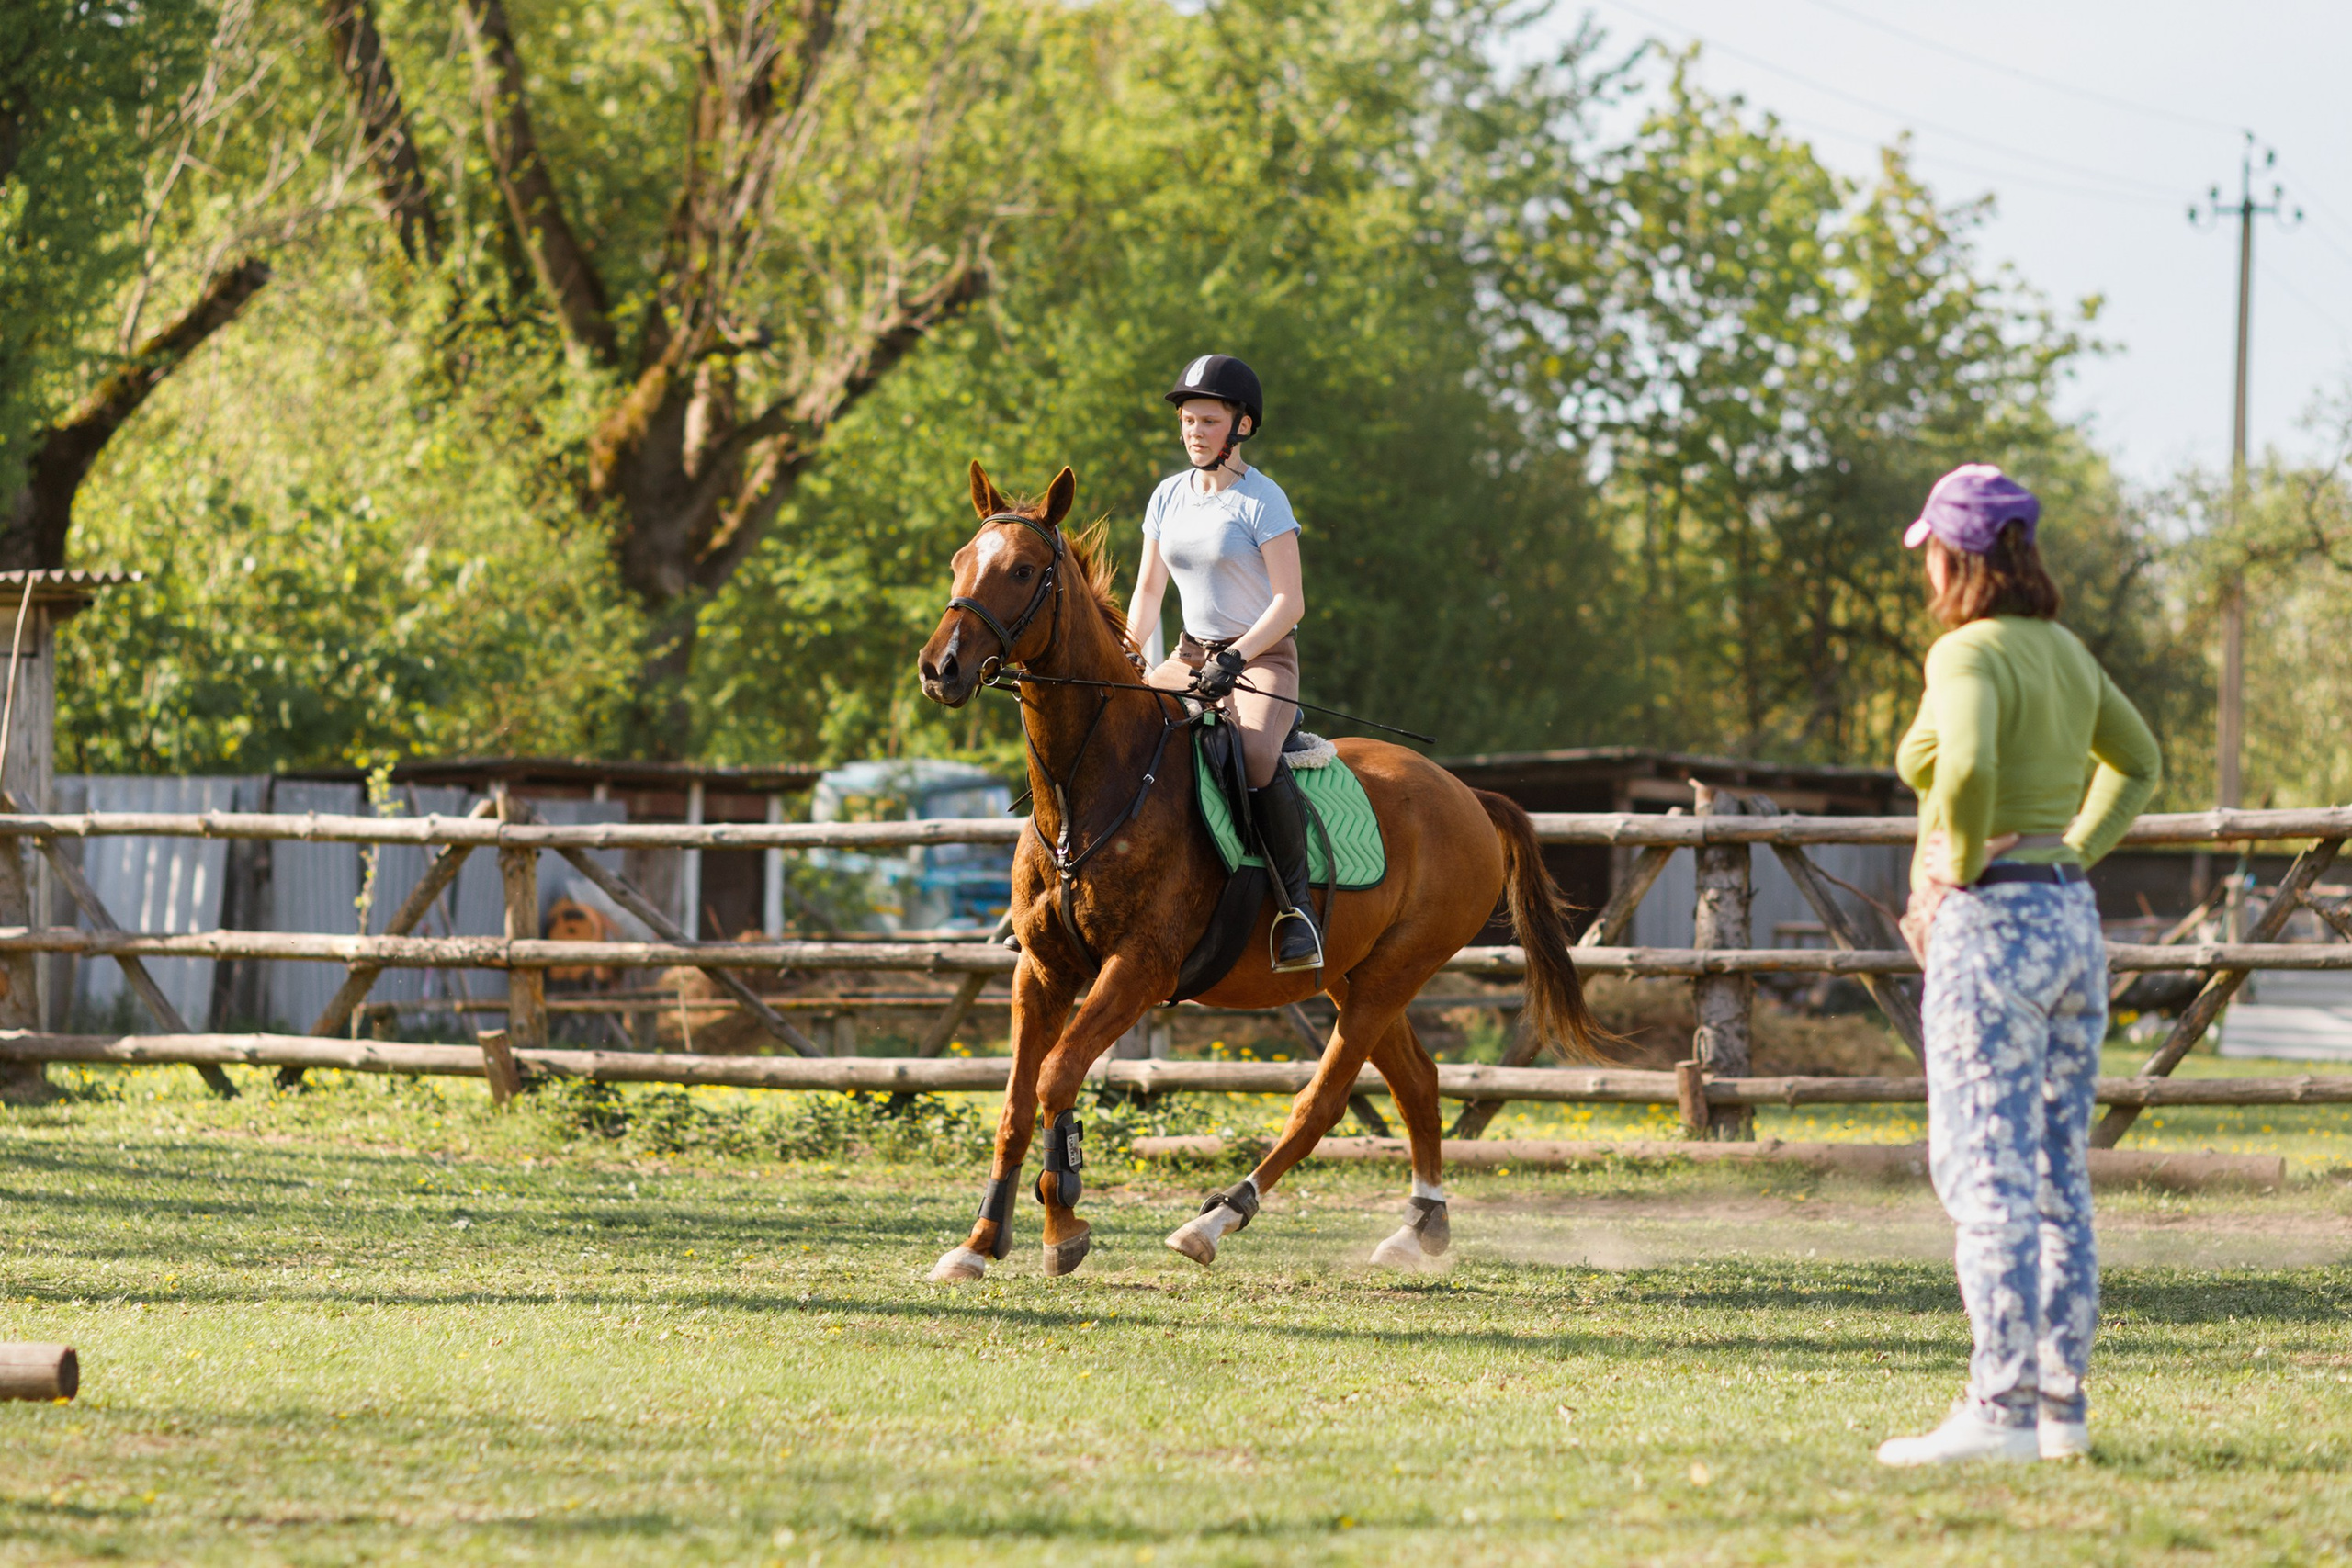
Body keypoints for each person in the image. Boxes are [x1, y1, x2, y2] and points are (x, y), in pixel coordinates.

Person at [1876, 464, 2161, 1468]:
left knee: (1982, 1169)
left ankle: (1995, 1410)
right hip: (2068, 917)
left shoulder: (1966, 654)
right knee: (2053, 1174)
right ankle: (2057, 1409)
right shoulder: (2064, 652)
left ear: (1952, 556)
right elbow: (2141, 762)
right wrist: (2072, 849)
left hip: (1990, 925)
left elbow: (1963, 769)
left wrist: (1952, 869)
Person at [1124, 354, 1322, 972]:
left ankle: (1298, 910)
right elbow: (1150, 590)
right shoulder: (1166, 497)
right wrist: (1131, 652)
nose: (1193, 431)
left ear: (1242, 427)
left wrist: (1236, 655)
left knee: (1258, 756)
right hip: (1187, 654)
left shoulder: (1263, 500)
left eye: (1208, 420)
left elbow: (1291, 602)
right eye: (1187, 420)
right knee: (1109, 729)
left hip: (1260, 658)